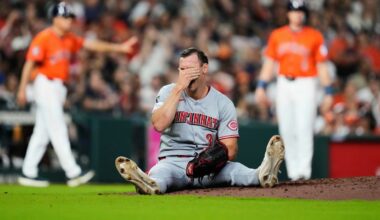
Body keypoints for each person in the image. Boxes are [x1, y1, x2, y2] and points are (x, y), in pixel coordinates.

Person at [115, 47, 285, 194]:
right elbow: (159, 124)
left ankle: (263, 173)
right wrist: (179, 88)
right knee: (160, 174)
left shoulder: (223, 103)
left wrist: (208, 163)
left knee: (237, 171)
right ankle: (149, 184)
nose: (187, 74)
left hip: (209, 167)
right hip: (173, 162)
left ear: (204, 69)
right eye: (182, 69)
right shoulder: (168, 92)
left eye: (191, 69)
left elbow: (231, 149)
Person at [16, 2, 138, 187]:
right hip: (45, 84)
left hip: (58, 88)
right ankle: (73, 172)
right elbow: (29, 64)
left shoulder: (69, 38)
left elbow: (92, 45)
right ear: (55, 18)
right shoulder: (44, 37)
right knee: (58, 127)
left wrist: (119, 49)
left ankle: (28, 172)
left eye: (70, 17)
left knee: (42, 132)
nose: (69, 21)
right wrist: (22, 88)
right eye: (65, 17)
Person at [254, 0, 333, 181]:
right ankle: (293, 173)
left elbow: (322, 66)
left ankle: (303, 172)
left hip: (306, 83)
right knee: (287, 129)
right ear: (288, 13)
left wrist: (328, 91)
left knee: (304, 127)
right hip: (284, 83)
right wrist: (261, 87)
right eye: (294, 11)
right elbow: (269, 63)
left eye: (300, 11)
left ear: (304, 14)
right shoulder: (277, 35)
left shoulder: (314, 36)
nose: (297, 14)